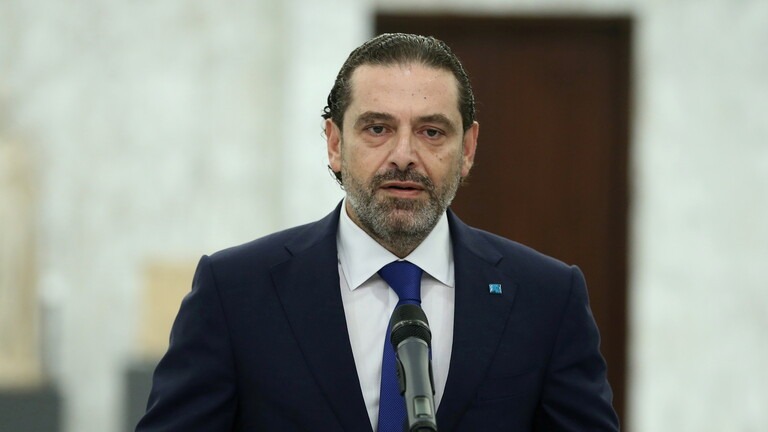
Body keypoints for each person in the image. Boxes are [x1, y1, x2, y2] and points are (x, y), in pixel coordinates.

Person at [136, 33, 619, 431]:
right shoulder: (236, 291)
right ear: (334, 143)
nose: (404, 155)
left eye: (432, 132)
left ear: (468, 148)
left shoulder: (545, 298)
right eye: (377, 129)